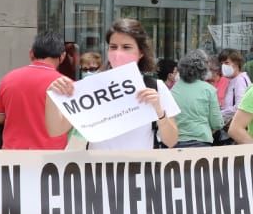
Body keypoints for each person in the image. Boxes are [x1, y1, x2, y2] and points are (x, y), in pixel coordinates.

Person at [47, 19, 179, 150]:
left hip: (139, 169)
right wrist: (52, 97)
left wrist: (159, 112)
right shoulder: (92, 86)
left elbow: (171, 141)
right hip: (98, 169)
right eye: (113, 47)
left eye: (126, 47)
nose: (118, 53)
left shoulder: (155, 87)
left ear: (141, 52)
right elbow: (56, 130)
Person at [0, 32, 71, 151]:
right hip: (51, 158)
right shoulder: (66, 84)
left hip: (13, 154)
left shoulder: (9, 78)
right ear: (63, 56)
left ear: (31, 53)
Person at [171, 49, 223, 148]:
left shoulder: (174, 89)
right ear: (204, 68)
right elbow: (217, 123)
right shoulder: (209, 90)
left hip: (175, 143)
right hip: (201, 143)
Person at [215, 49, 251, 130]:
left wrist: (219, 114)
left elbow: (239, 106)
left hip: (236, 127)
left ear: (237, 63)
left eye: (227, 63)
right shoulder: (233, 80)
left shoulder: (240, 80)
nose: (224, 66)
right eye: (222, 63)